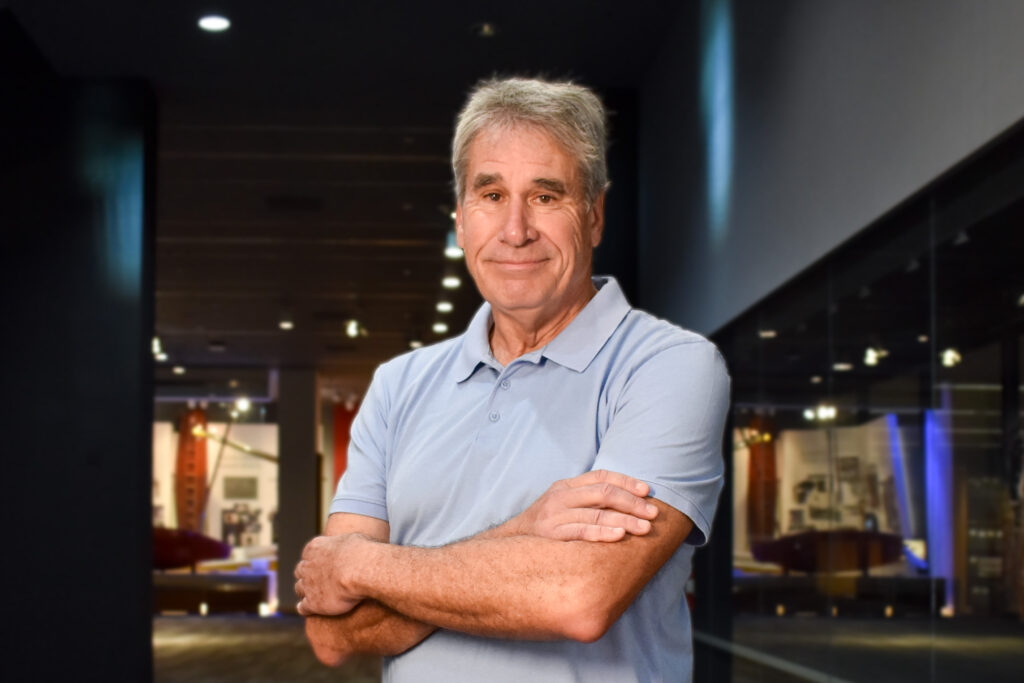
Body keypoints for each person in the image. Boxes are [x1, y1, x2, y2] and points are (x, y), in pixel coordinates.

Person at [294, 77, 730, 682]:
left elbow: (576, 598)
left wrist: (359, 565)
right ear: (462, 218)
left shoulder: (670, 366)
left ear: (595, 215)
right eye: (491, 194)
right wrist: (526, 535)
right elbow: (333, 632)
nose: (516, 229)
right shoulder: (398, 384)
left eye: (547, 196)